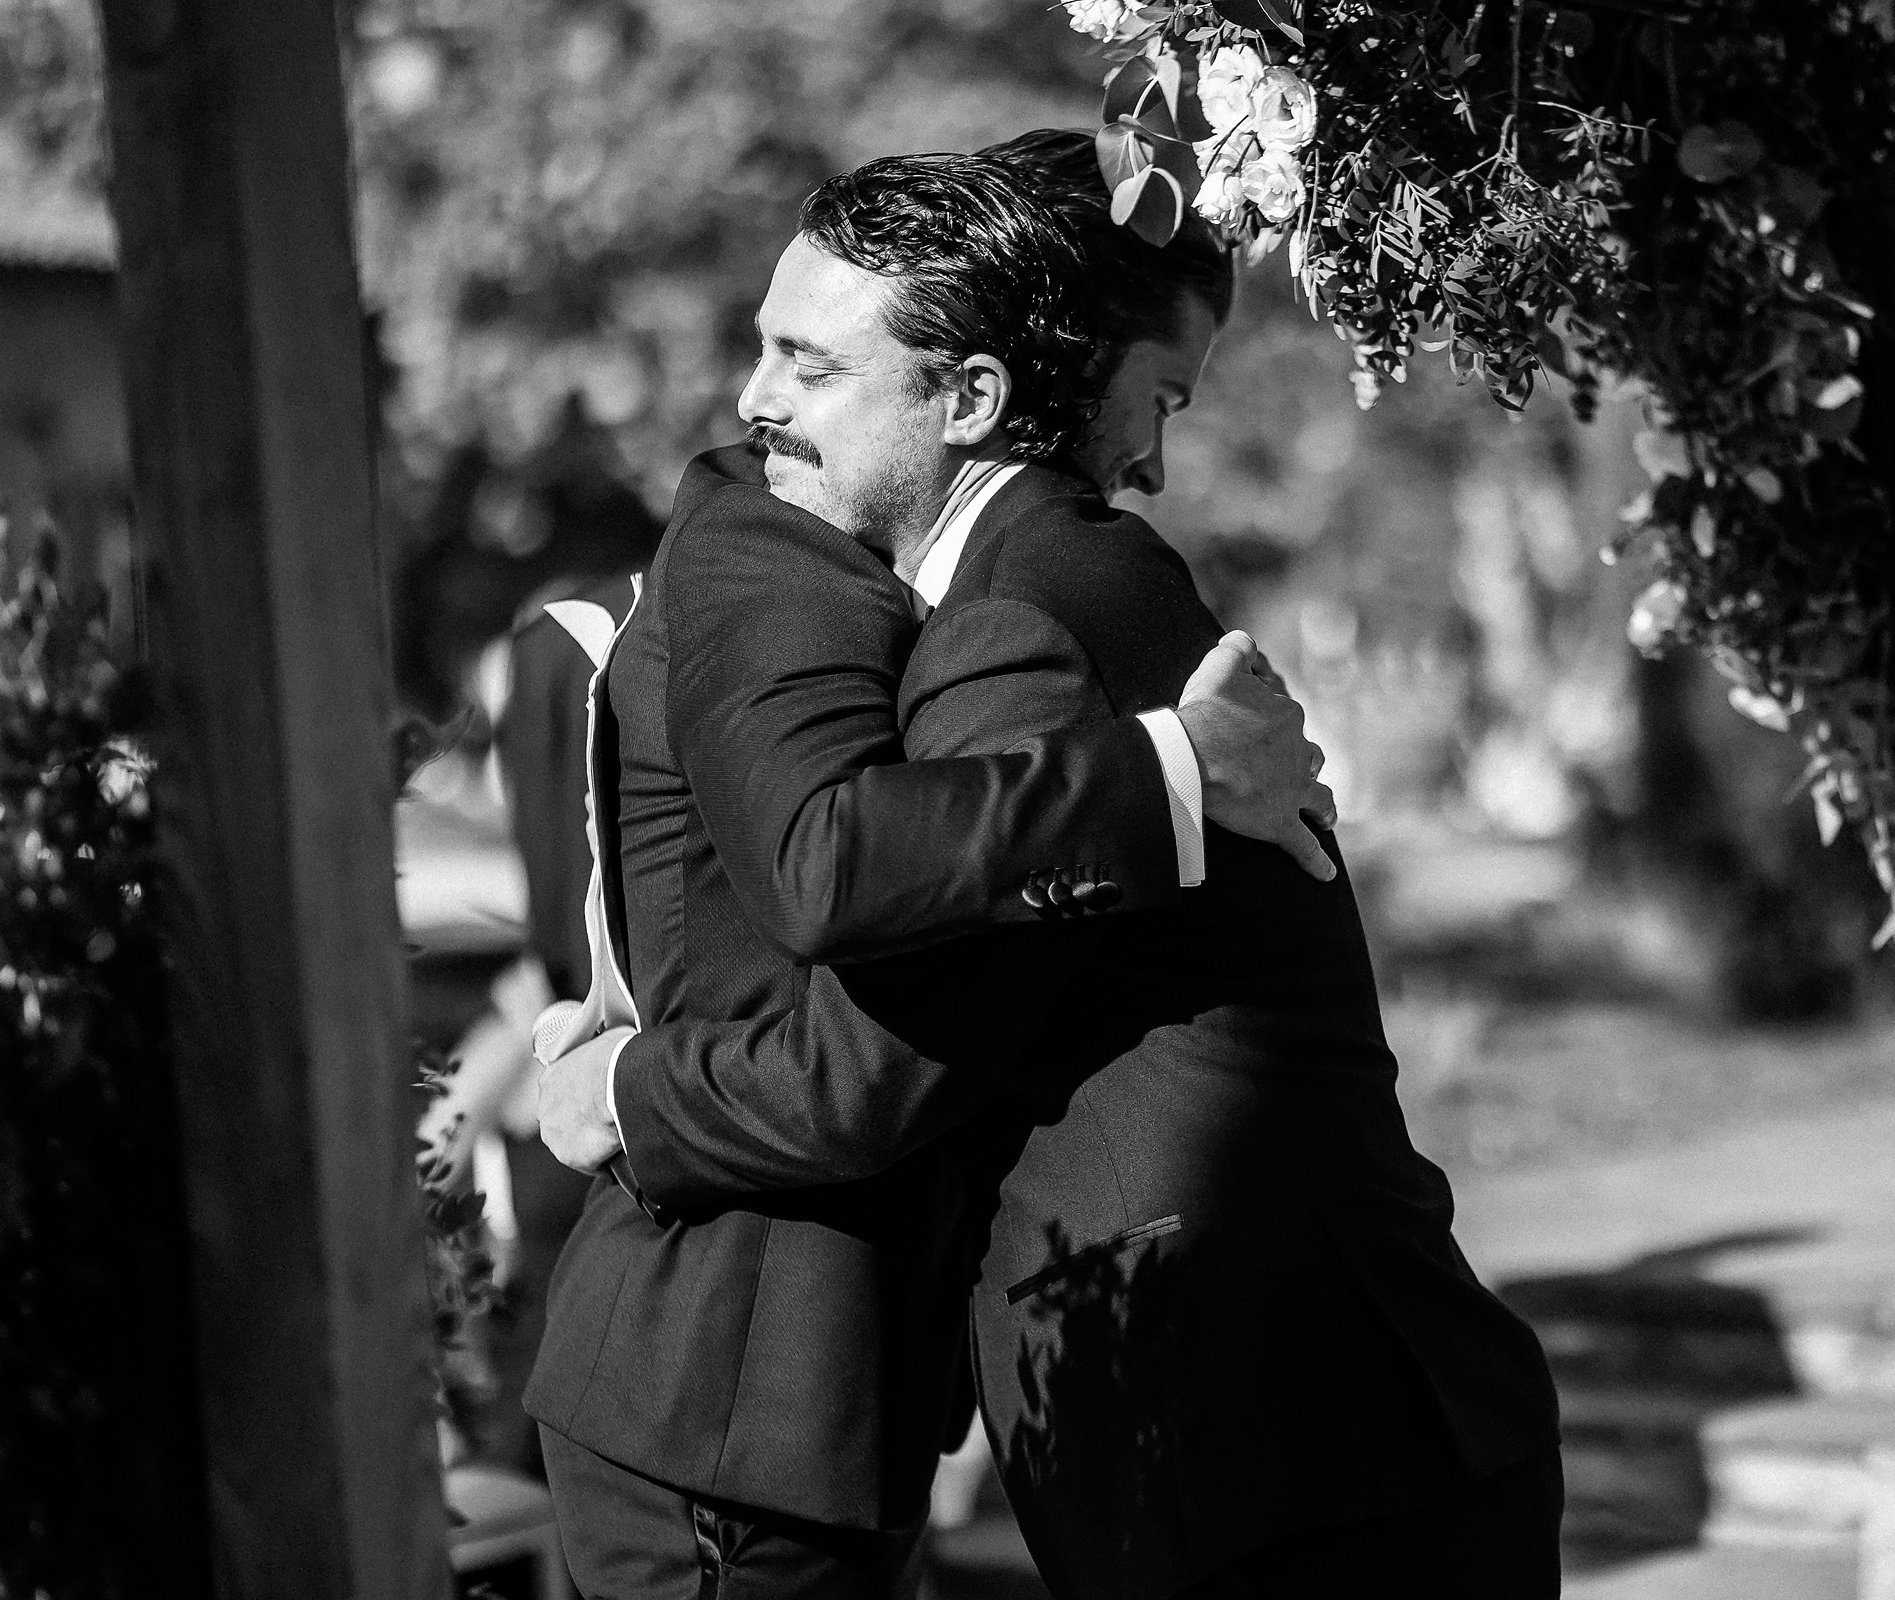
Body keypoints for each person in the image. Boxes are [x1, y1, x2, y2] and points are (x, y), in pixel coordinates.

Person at [537, 135, 1563, 1600]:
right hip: (1265, 1426)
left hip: (1282, 1442)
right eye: (769, 353)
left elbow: (865, 1059)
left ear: (969, 399)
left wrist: (621, 1097)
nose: (753, 401)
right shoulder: (976, 584)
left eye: (810, 366)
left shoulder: (1029, 595)